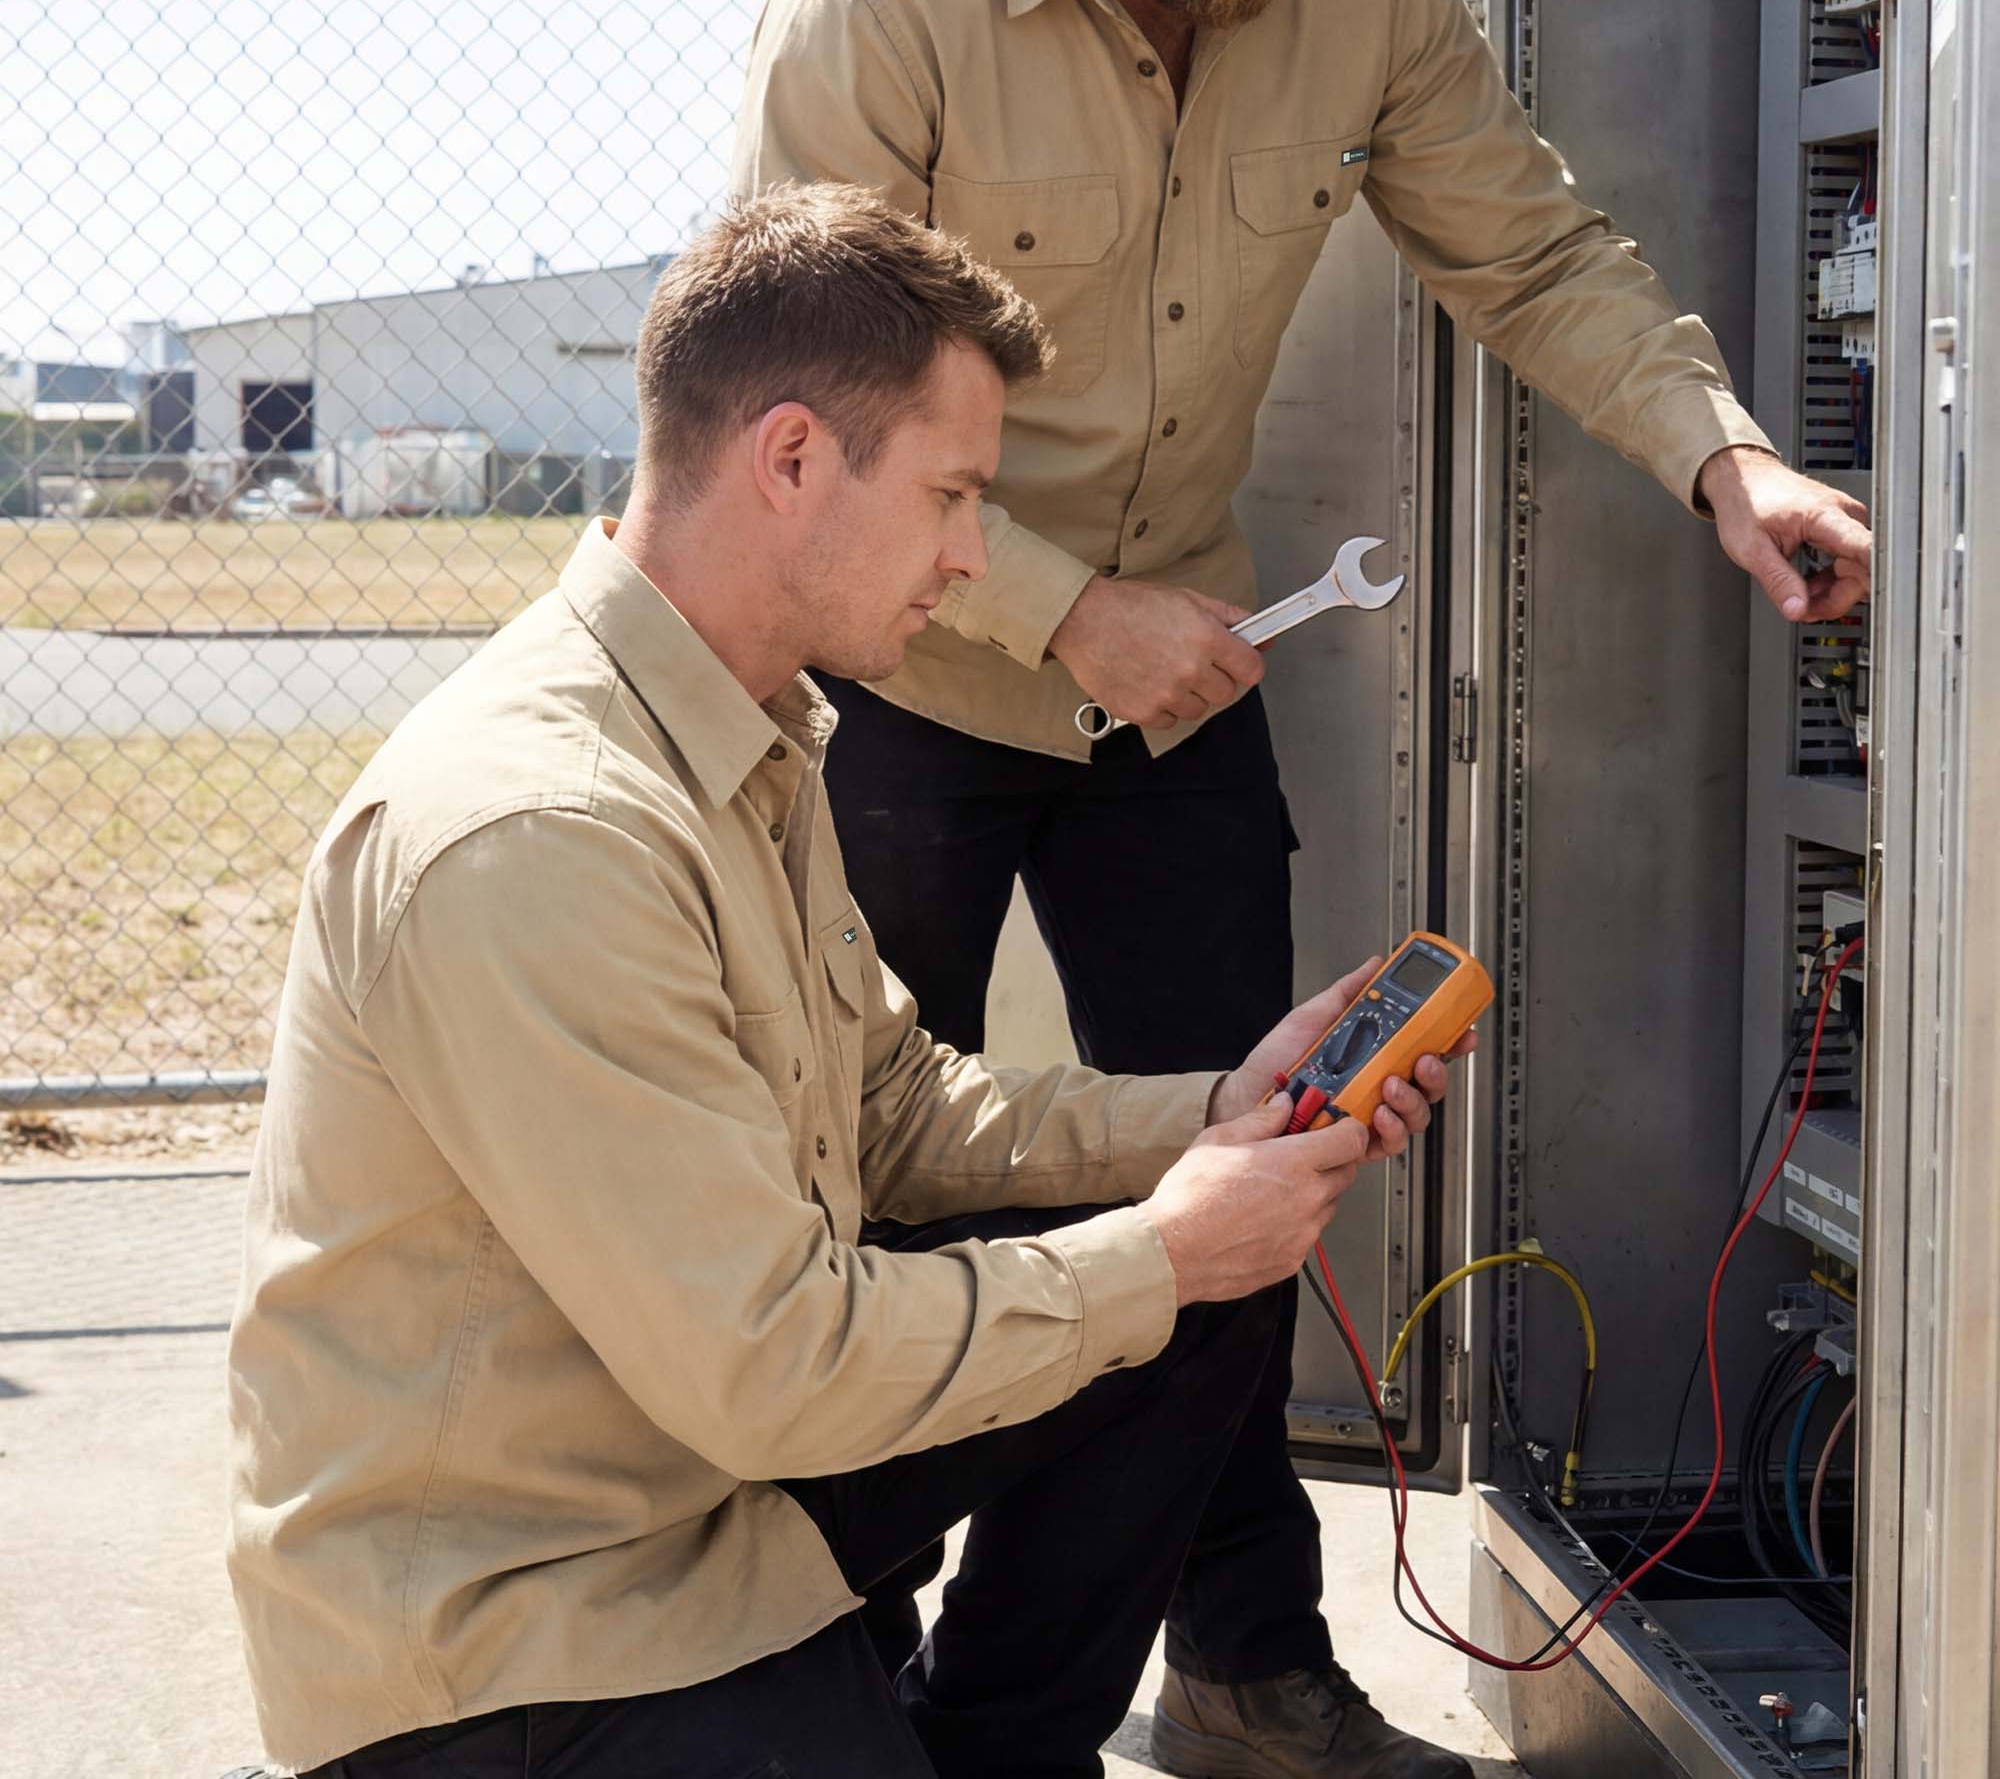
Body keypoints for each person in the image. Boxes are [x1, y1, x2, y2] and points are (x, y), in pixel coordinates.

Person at [728, 0, 1875, 1776]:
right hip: (900, 652)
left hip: (1173, 678)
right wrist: (1068, 607)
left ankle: (1198, 1677)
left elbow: (1530, 251)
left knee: (1261, 1171)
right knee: (856, 1195)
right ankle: (822, 1683)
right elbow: (800, 397)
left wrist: (1723, 454)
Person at [224, 182, 1463, 1779]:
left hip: (686, 1479)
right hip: (517, 1635)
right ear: (792, 458)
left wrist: (1207, 1124)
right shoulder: (538, 833)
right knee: (1164, 1279)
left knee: (1198, 1305)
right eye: (955, 496)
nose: (974, 558)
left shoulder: (742, 728)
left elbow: (893, 1101)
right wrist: (1156, 1246)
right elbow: (773, 1367)